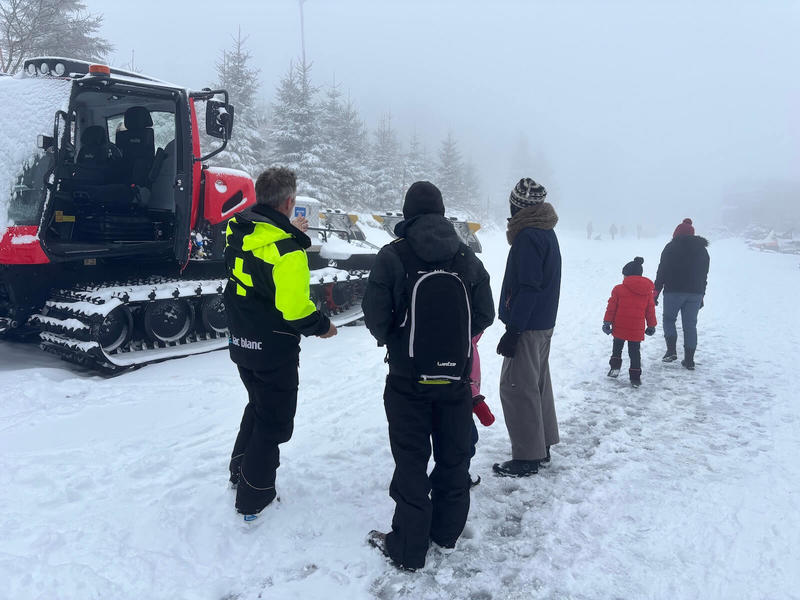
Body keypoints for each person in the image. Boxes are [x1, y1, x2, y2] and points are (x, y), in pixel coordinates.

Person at [362, 181, 494, 571]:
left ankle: (408, 546)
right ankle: (446, 534)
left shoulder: (393, 255)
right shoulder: (465, 256)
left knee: (411, 461)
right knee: (454, 459)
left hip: (407, 379)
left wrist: (397, 341)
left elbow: (375, 314)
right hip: (455, 382)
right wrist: (453, 341)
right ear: (441, 212)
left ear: (407, 214)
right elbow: (485, 313)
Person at [224, 167, 337, 522]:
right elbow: (293, 308)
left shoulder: (241, 230)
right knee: (274, 422)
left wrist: (290, 231)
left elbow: (265, 251)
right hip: (273, 346)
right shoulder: (287, 251)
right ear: (290, 202)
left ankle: (238, 471)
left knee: (257, 405)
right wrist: (322, 326)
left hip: (241, 340)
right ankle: (253, 497)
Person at [494, 178, 561, 478]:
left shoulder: (528, 237)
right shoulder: (546, 232)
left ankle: (527, 457)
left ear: (519, 207)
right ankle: (541, 445)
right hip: (542, 323)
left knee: (516, 388)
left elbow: (529, 287)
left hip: (528, 325)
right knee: (536, 385)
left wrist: (513, 330)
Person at [654, 218, 709, 370]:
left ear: (676, 233)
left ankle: (671, 350)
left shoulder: (671, 247)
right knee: (690, 326)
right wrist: (702, 294)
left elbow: (662, 270)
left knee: (669, 319)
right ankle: (689, 360)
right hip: (695, 294)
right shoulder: (702, 251)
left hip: (674, 291)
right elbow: (704, 275)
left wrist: (656, 291)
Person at [602, 257, 657, 387]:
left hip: (620, 327)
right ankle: (635, 378)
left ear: (626, 275)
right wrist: (651, 325)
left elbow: (611, 307)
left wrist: (607, 322)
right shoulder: (647, 291)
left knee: (617, 349)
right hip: (636, 329)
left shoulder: (618, 289)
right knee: (634, 352)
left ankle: (615, 368)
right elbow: (650, 310)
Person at [468, 333, 496, 488]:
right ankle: (458, 475)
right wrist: (476, 401)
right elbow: (465, 379)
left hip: (457, 400)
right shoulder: (465, 346)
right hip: (460, 401)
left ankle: (456, 473)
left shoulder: (470, 341)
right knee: (467, 440)